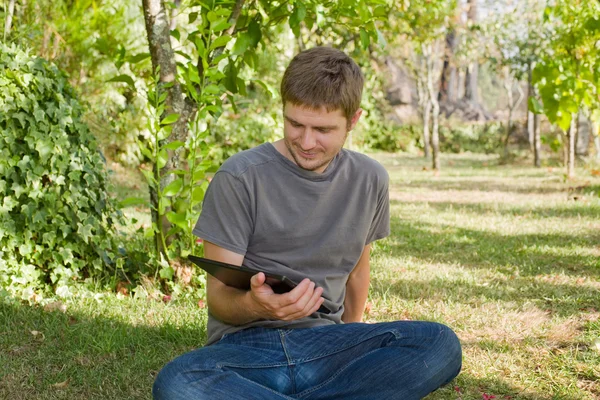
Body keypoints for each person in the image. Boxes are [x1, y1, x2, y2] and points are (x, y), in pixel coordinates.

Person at [153, 46, 462, 400]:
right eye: (295, 124)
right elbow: (219, 300)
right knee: (180, 382)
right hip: (246, 349)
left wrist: (351, 346)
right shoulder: (240, 177)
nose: (306, 141)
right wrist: (258, 305)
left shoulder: (370, 179)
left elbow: (358, 273)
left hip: (327, 343)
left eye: (323, 129)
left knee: (439, 343)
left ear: (353, 120)